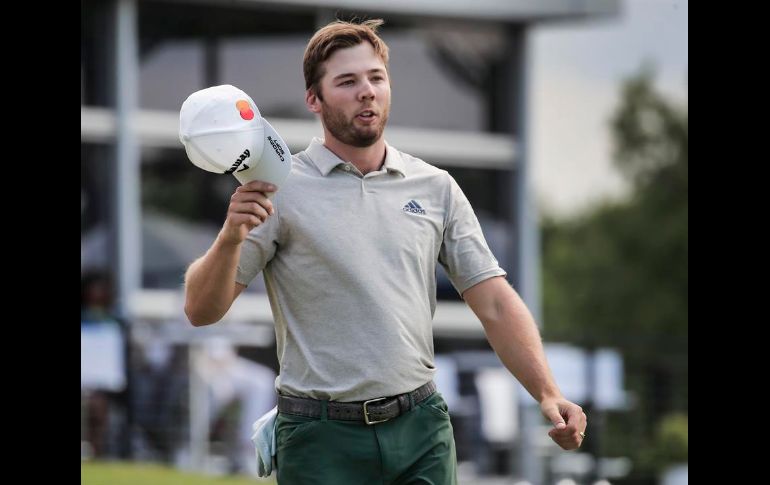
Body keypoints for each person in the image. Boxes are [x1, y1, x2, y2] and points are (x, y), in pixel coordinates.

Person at [184, 18, 587, 484]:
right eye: (347, 81)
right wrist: (231, 238)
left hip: (421, 428)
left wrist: (548, 392)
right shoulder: (278, 189)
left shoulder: (436, 188)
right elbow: (200, 310)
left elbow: (494, 301)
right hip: (319, 438)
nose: (366, 91)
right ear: (314, 99)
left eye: (376, 78)